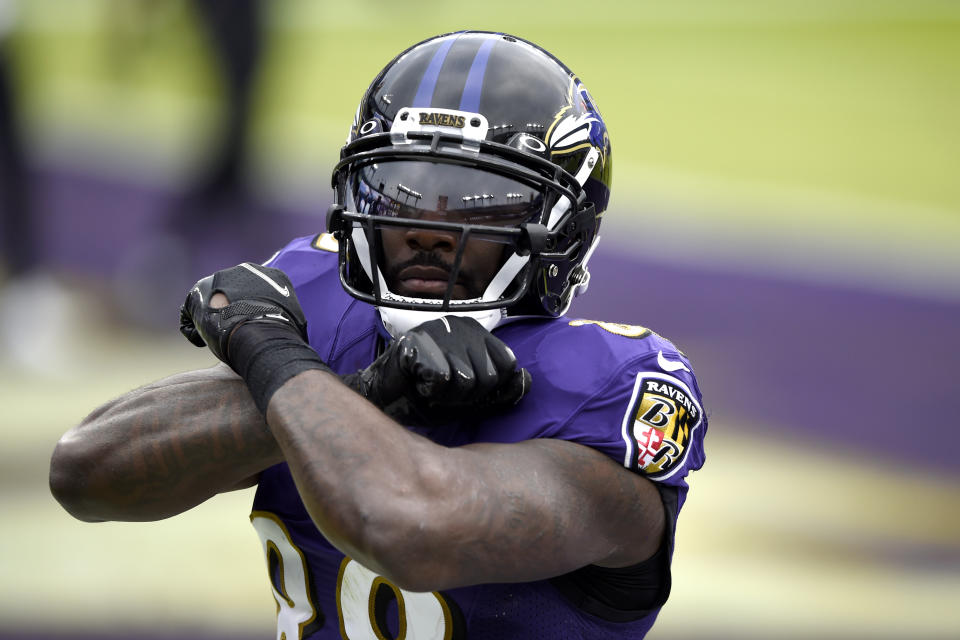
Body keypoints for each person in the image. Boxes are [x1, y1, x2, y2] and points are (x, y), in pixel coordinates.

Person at [50, 31, 707, 639]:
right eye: (401, 189)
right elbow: (85, 471)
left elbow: (409, 529)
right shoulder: (327, 305)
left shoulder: (611, 386)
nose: (425, 225)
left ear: (562, 226)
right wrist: (359, 391)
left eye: (474, 196)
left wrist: (277, 356)